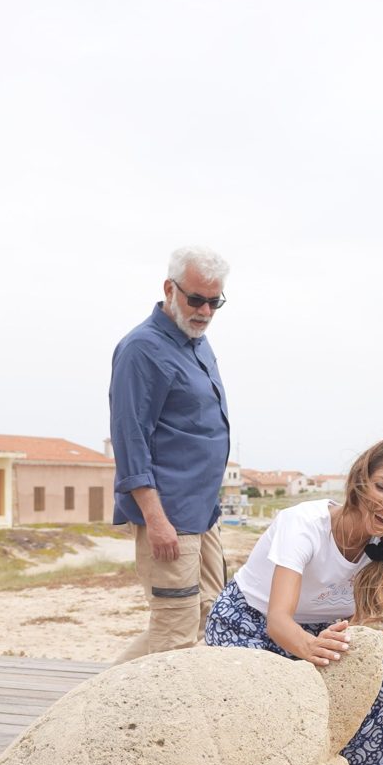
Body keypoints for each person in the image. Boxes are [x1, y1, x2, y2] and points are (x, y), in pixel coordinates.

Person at [205, 436, 383, 765]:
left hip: (316, 631)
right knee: (279, 702)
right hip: (248, 622)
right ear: (359, 482)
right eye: (382, 487)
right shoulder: (303, 525)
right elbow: (278, 621)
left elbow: (351, 620)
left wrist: (336, 647)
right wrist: (310, 650)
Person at [109, 245, 231, 664]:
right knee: (174, 629)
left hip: (202, 513)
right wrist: (156, 520)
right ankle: (107, 712)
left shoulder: (198, 342)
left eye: (214, 302)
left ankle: (100, 698)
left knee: (210, 615)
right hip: (168, 514)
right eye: (196, 299)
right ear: (169, 288)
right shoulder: (142, 349)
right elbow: (130, 438)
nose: (205, 311)